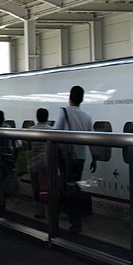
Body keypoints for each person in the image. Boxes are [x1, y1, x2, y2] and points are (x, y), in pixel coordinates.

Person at [53, 86, 94, 232]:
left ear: (70, 97)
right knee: (75, 184)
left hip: (66, 155)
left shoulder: (63, 111)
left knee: (65, 185)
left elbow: (55, 132)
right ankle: (76, 215)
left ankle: (72, 218)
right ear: (81, 99)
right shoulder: (87, 117)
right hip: (81, 156)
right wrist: (94, 158)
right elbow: (92, 139)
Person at [29, 108, 54, 219]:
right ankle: (51, 212)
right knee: (48, 187)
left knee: (36, 187)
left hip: (34, 162)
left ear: (37, 117)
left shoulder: (31, 130)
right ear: (47, 117)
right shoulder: (52, 130)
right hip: (48, 162)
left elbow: (27, 147)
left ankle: (40, 212)